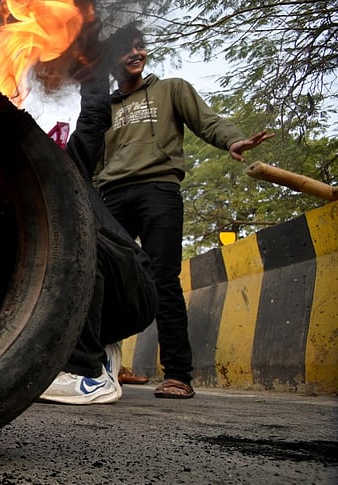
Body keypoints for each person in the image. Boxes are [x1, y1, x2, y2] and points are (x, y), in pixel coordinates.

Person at [97, 23, 272, 399]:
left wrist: (232, 139)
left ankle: (178, 373)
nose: (135, 53)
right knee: (105, 280)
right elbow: (93, 157)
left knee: (162, 278)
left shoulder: (171, 89)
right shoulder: (104, 107)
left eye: (139, 46)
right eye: (125, 49)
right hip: (110, 195)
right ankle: (100, 365)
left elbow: (207, 121)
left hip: (158, 190)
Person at [39, 62, 159, 404]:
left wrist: (91, 64)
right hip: (90, 311)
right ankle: (101, 348)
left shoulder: (68, 172)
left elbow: (93, 119)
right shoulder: (12, 217)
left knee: (74, 244)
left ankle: (85, 371)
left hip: (131, 290)